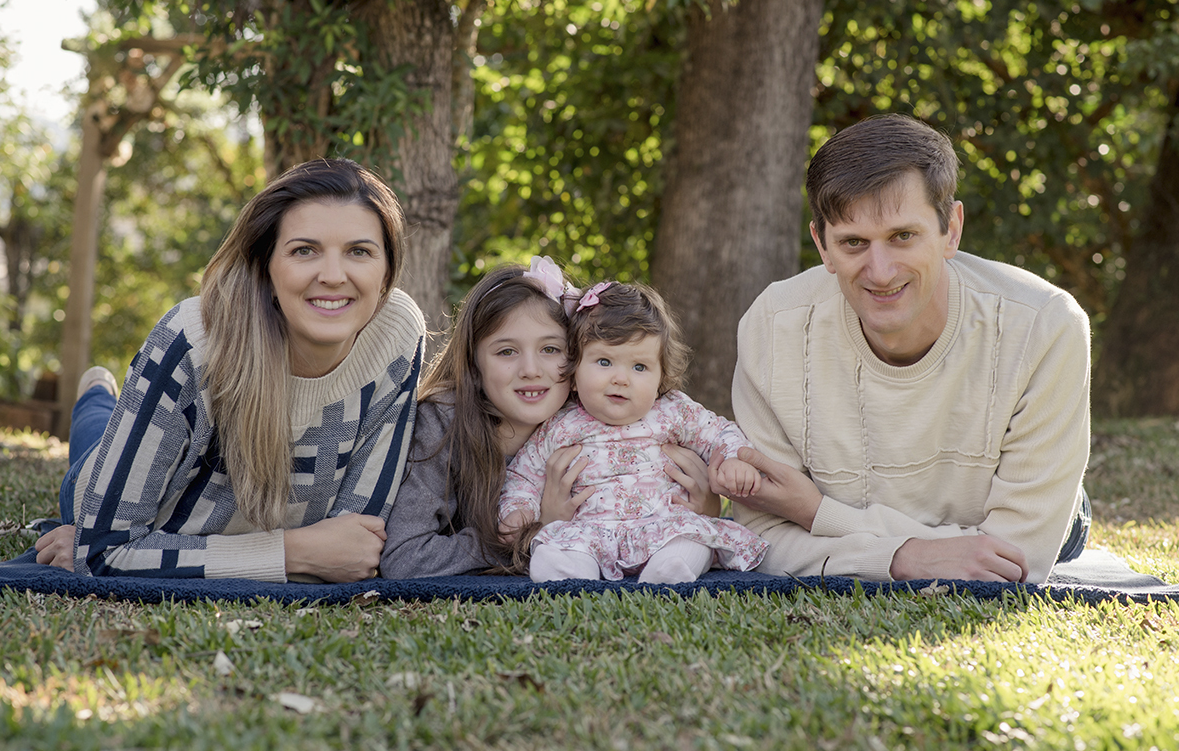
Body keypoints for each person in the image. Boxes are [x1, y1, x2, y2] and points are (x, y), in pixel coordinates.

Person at [725, 113, 1091, 584]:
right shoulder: (773, 326)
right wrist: (903, 559)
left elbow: (1015, 557)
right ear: (822, 245)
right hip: (917, 518)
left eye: (903, 236)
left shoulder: (1044, 325)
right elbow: (758, 538)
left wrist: (818, 514)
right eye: (853, 242)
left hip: (1001, 498)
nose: (880, 272)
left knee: (1062, 526)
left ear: (951, 229)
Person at [33, 158, 425, 582]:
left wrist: (161, 555)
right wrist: (293, 554)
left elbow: (356, 545)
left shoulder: (396, 334)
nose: (332, 276)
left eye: (359, 251)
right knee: (96, 431)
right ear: (265, 265)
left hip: (187, 531)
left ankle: (101, 397)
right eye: (304, 250)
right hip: (108, 480)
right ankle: (96, 395)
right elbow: (104, 552)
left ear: (387, 271)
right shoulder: (193, 340)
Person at [380, 259, 720, 578]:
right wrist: (536, 532)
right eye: (506, 351)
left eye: (550, 349)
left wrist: (703, 509)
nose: (531, 370)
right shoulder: (442, 423)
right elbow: (405, 557)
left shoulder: (596, 420)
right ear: (474, 364)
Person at [499, 281, 769, 584]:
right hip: (588, 533)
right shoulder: (560, 425)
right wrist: (518, 511)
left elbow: (719, 433)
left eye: (639, 367)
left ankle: (668, 572)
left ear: (661, 378)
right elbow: (524, 475)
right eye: (604, 362)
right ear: (573, 373)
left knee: (690, 538)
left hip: (664, 525)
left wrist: (733, 459)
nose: (621, 379)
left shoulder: (673, 411)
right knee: (556, 548)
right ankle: (569, 576)